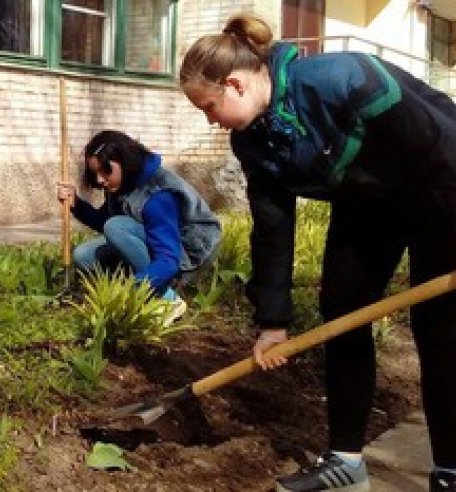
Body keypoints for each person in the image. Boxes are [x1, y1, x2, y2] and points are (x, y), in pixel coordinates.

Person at [179, 13, 456, 492]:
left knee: (439, 325)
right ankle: (347, 462)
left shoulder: (342, 79)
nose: (211, 121)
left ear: (235, 85)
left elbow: (437, 144)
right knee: (341, 311)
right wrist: (272, 322)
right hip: (366, 202)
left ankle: (451, 468)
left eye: (208, 107)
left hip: (439, 183)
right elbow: (272, 227)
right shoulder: (253, 142)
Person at [57, 130, 221, 324]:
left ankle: (167, 299)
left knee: (116, 227)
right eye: (95, 173)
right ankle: (146, 285)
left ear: (124, 162)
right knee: (83, 255)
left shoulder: (158, 195)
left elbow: (169, 259)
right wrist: (76, 203)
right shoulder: (120, 183)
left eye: (105, 171)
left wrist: (130, 292)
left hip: (188, 251)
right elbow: (103, 221)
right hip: (156, 243)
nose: (100, 179)